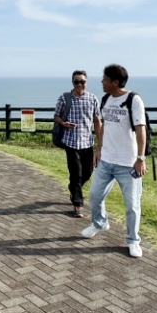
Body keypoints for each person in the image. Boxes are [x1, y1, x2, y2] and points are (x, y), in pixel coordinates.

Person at [81, 64, 147, 258]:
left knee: (132, 205)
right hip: (106, 160)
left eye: (105, 79)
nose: (102, 82)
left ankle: (133, 240)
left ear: (115, 82)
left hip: (128, 163)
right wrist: (99, 148)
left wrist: (140, 158)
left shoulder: (133, 100)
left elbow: (141, 130)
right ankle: (100, 223)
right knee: (94, 195)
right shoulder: (106, 99)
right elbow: (103, 126)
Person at [54, 70, 102, 218]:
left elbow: (97, 121)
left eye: (82, 81)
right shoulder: (64, 98)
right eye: (77, 82)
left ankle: (74, 188)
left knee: (88, 172)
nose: (80, 84)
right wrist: (64, 123)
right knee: (76, 174)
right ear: (72, 83)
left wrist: (100, 144)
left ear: (86, 82)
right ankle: (78, 205)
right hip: (71, 142)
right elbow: (56, 116)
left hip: (87, 143)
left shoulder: (92, 99)